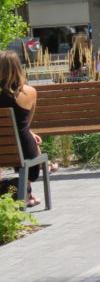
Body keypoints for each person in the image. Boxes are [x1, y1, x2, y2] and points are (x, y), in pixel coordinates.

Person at [0, 51, 46, 207]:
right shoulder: (30, 92)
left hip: (2, 149)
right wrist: (30, 133)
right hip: (23, 151)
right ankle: (26, 193)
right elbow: (25, 124)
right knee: (26, 140)